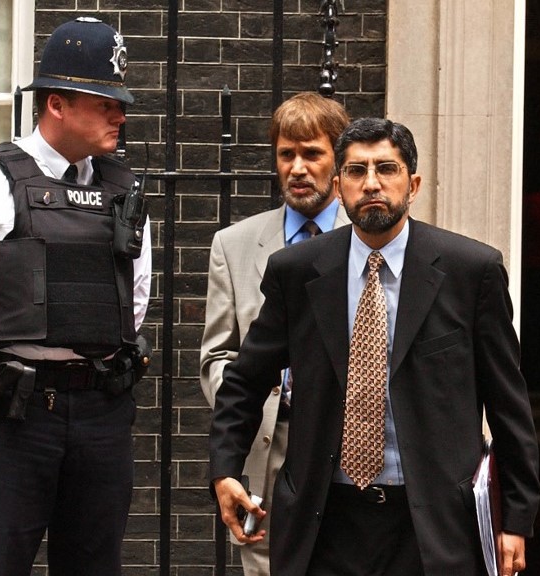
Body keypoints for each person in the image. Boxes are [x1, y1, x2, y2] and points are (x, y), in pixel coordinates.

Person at [209, 118, 540, 576]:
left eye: (386, 168)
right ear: (339, 186)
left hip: (431, 525)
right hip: (324, 522)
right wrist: (225, 469)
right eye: (356, 171)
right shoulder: (297, 271)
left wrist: (516, 519)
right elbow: (245, 380)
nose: (371, 183)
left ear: (413, 183)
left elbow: (508, 404)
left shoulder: (471, 270)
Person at [0, 17, 152, 576]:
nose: (120, 114)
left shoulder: (124, 191)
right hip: (14, 414)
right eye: (105, 103)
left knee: (95, 564)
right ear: (56, 103)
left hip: (102, 410)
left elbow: (136, 298)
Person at [199, 91, 350, 575]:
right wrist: (255, 398)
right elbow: (217, 356)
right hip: (271, 446)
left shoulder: (371, 237)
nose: (298, 168)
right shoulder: (235, 244)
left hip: (348, 445)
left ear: (338, 160)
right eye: (287, 154)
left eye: (312, 154)